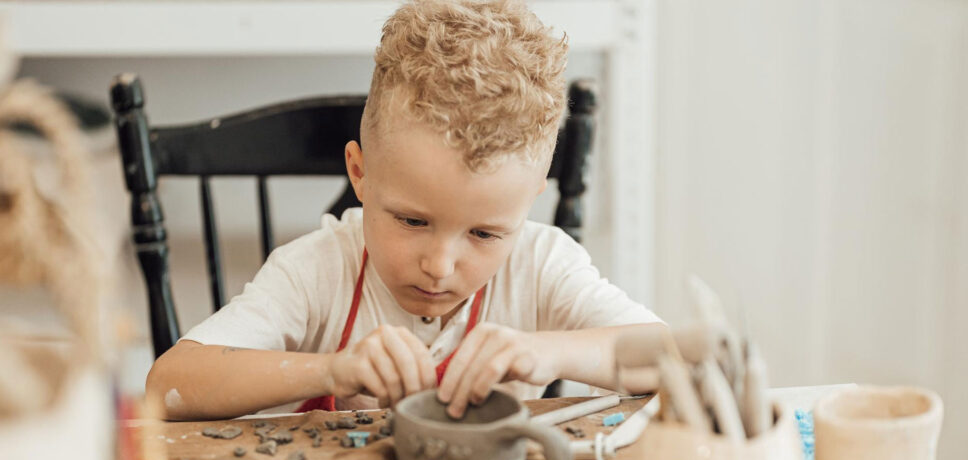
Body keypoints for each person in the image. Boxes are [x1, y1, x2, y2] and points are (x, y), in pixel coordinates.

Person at [146, 0, 662, 421]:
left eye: (484, 233)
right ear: (360, 173)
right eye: (413, 221)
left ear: (528, 206)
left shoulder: (543, 267)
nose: (439, 265)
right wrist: (330, 371)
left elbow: (676, 359)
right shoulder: (317, 271)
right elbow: (169, 385)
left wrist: (547, 352)